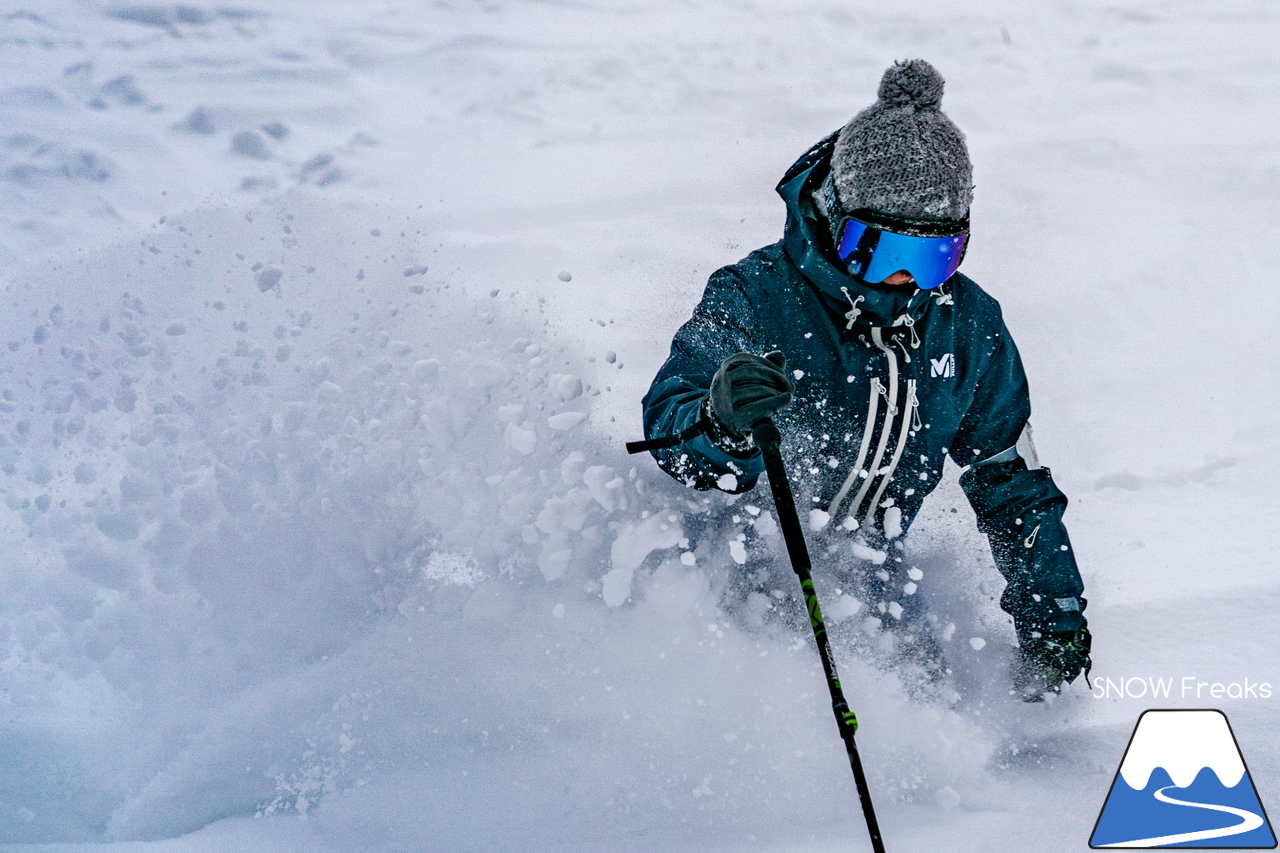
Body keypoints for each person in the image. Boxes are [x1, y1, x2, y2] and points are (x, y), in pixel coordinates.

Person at [639, 59, 1090, 701]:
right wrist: (721, 423)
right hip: (729, 567)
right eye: (878, 251)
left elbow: (1009, 480)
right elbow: (667, 429)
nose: (904, 279)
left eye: (932, 256)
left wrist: (1052, 614)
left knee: (935, 715)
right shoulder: (756, 296)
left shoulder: (967, 325)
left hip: (871, 581)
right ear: (832, 214)